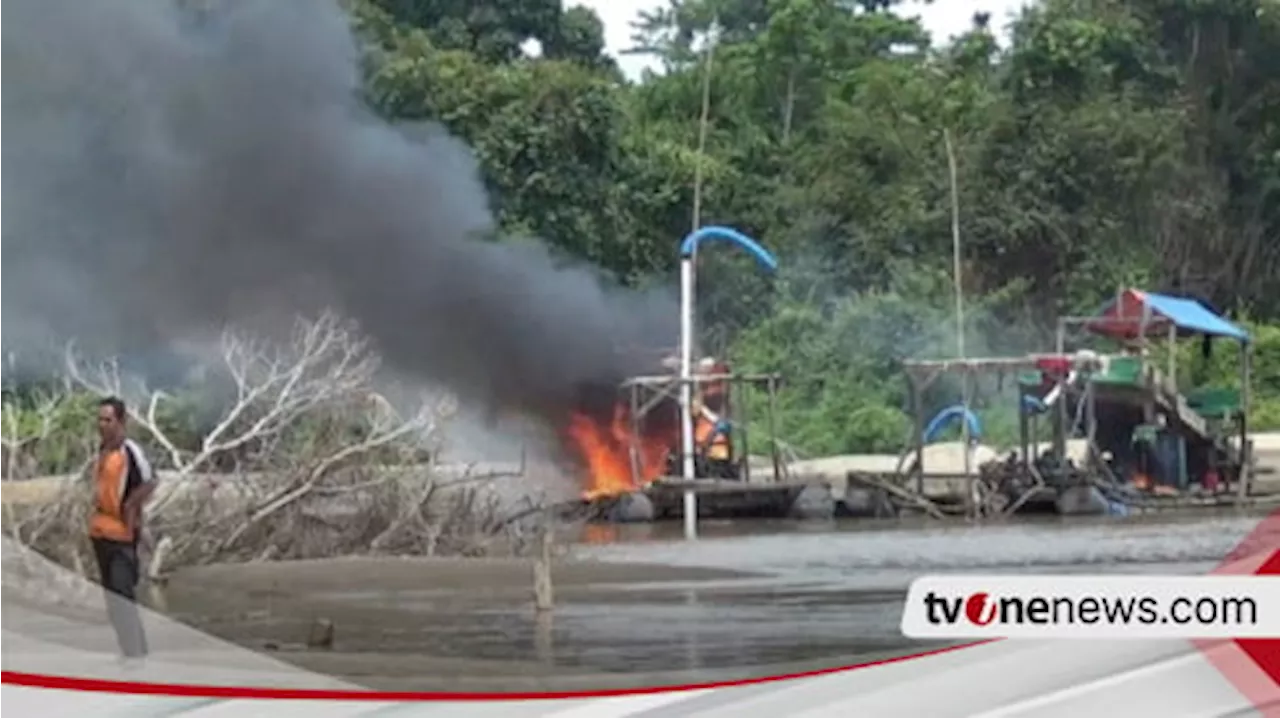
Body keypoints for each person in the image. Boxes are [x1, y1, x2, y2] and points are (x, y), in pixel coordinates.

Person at [88, 396, 158, 666]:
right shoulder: (103, 450)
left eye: (108, 419)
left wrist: (131, 510)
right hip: (101, 534)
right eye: (100, 419)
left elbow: (150, 481)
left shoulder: (131, 451)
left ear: (121, 421)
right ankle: (129, 651)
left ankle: (137, 655)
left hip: (123, 536)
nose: (102, 424)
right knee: (113, 599)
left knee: (122, 594)